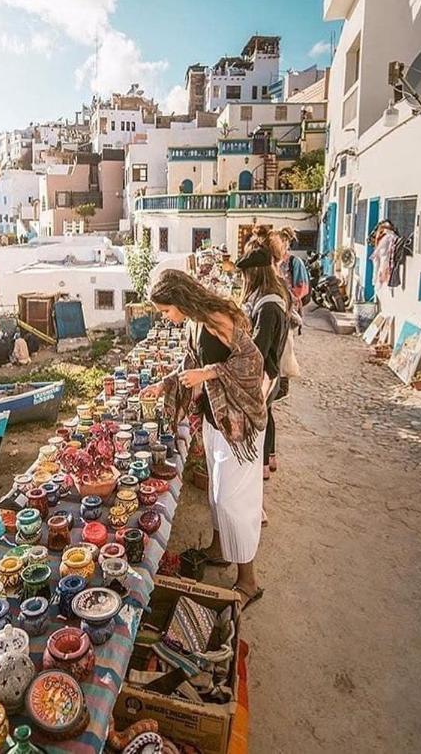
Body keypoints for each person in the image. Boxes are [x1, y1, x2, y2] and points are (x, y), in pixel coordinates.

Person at [143, 269, 267, 609]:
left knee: (233, 501)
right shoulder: (195, 323)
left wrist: (208, 373)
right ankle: (219, 547)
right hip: (218, 419)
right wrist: (164, 384)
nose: (166, 317)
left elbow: (253, 362)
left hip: (239, 425)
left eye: (166, 311)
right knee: (216, 493)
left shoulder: (217, 318)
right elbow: (191, 365)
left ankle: (248, 581)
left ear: (179, 300)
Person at [237, 246, 290, 482]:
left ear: (255, 273)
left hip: (266, 372)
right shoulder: (275, 296)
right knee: (267, 413)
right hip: (273, 368)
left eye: (246, 275)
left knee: (261, 417)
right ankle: (271, 457)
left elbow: (258, 347)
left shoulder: (267, 306)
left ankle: (262, 468)